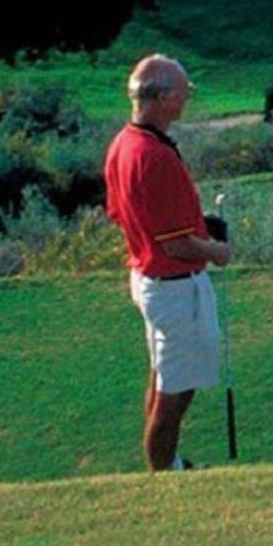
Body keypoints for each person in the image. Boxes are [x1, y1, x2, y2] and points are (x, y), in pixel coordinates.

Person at [103, 54, 231, 471]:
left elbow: (128, 214)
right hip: (174, 286)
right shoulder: (152, 157)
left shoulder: (124, 144)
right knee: (176, 390)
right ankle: (164, 474)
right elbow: (176, 245)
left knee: (163, 377)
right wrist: (215, 251)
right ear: (160, 98)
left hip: (149, 278)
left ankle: (169, 463)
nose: (188, 98)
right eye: (183, 92)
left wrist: (199, 225)